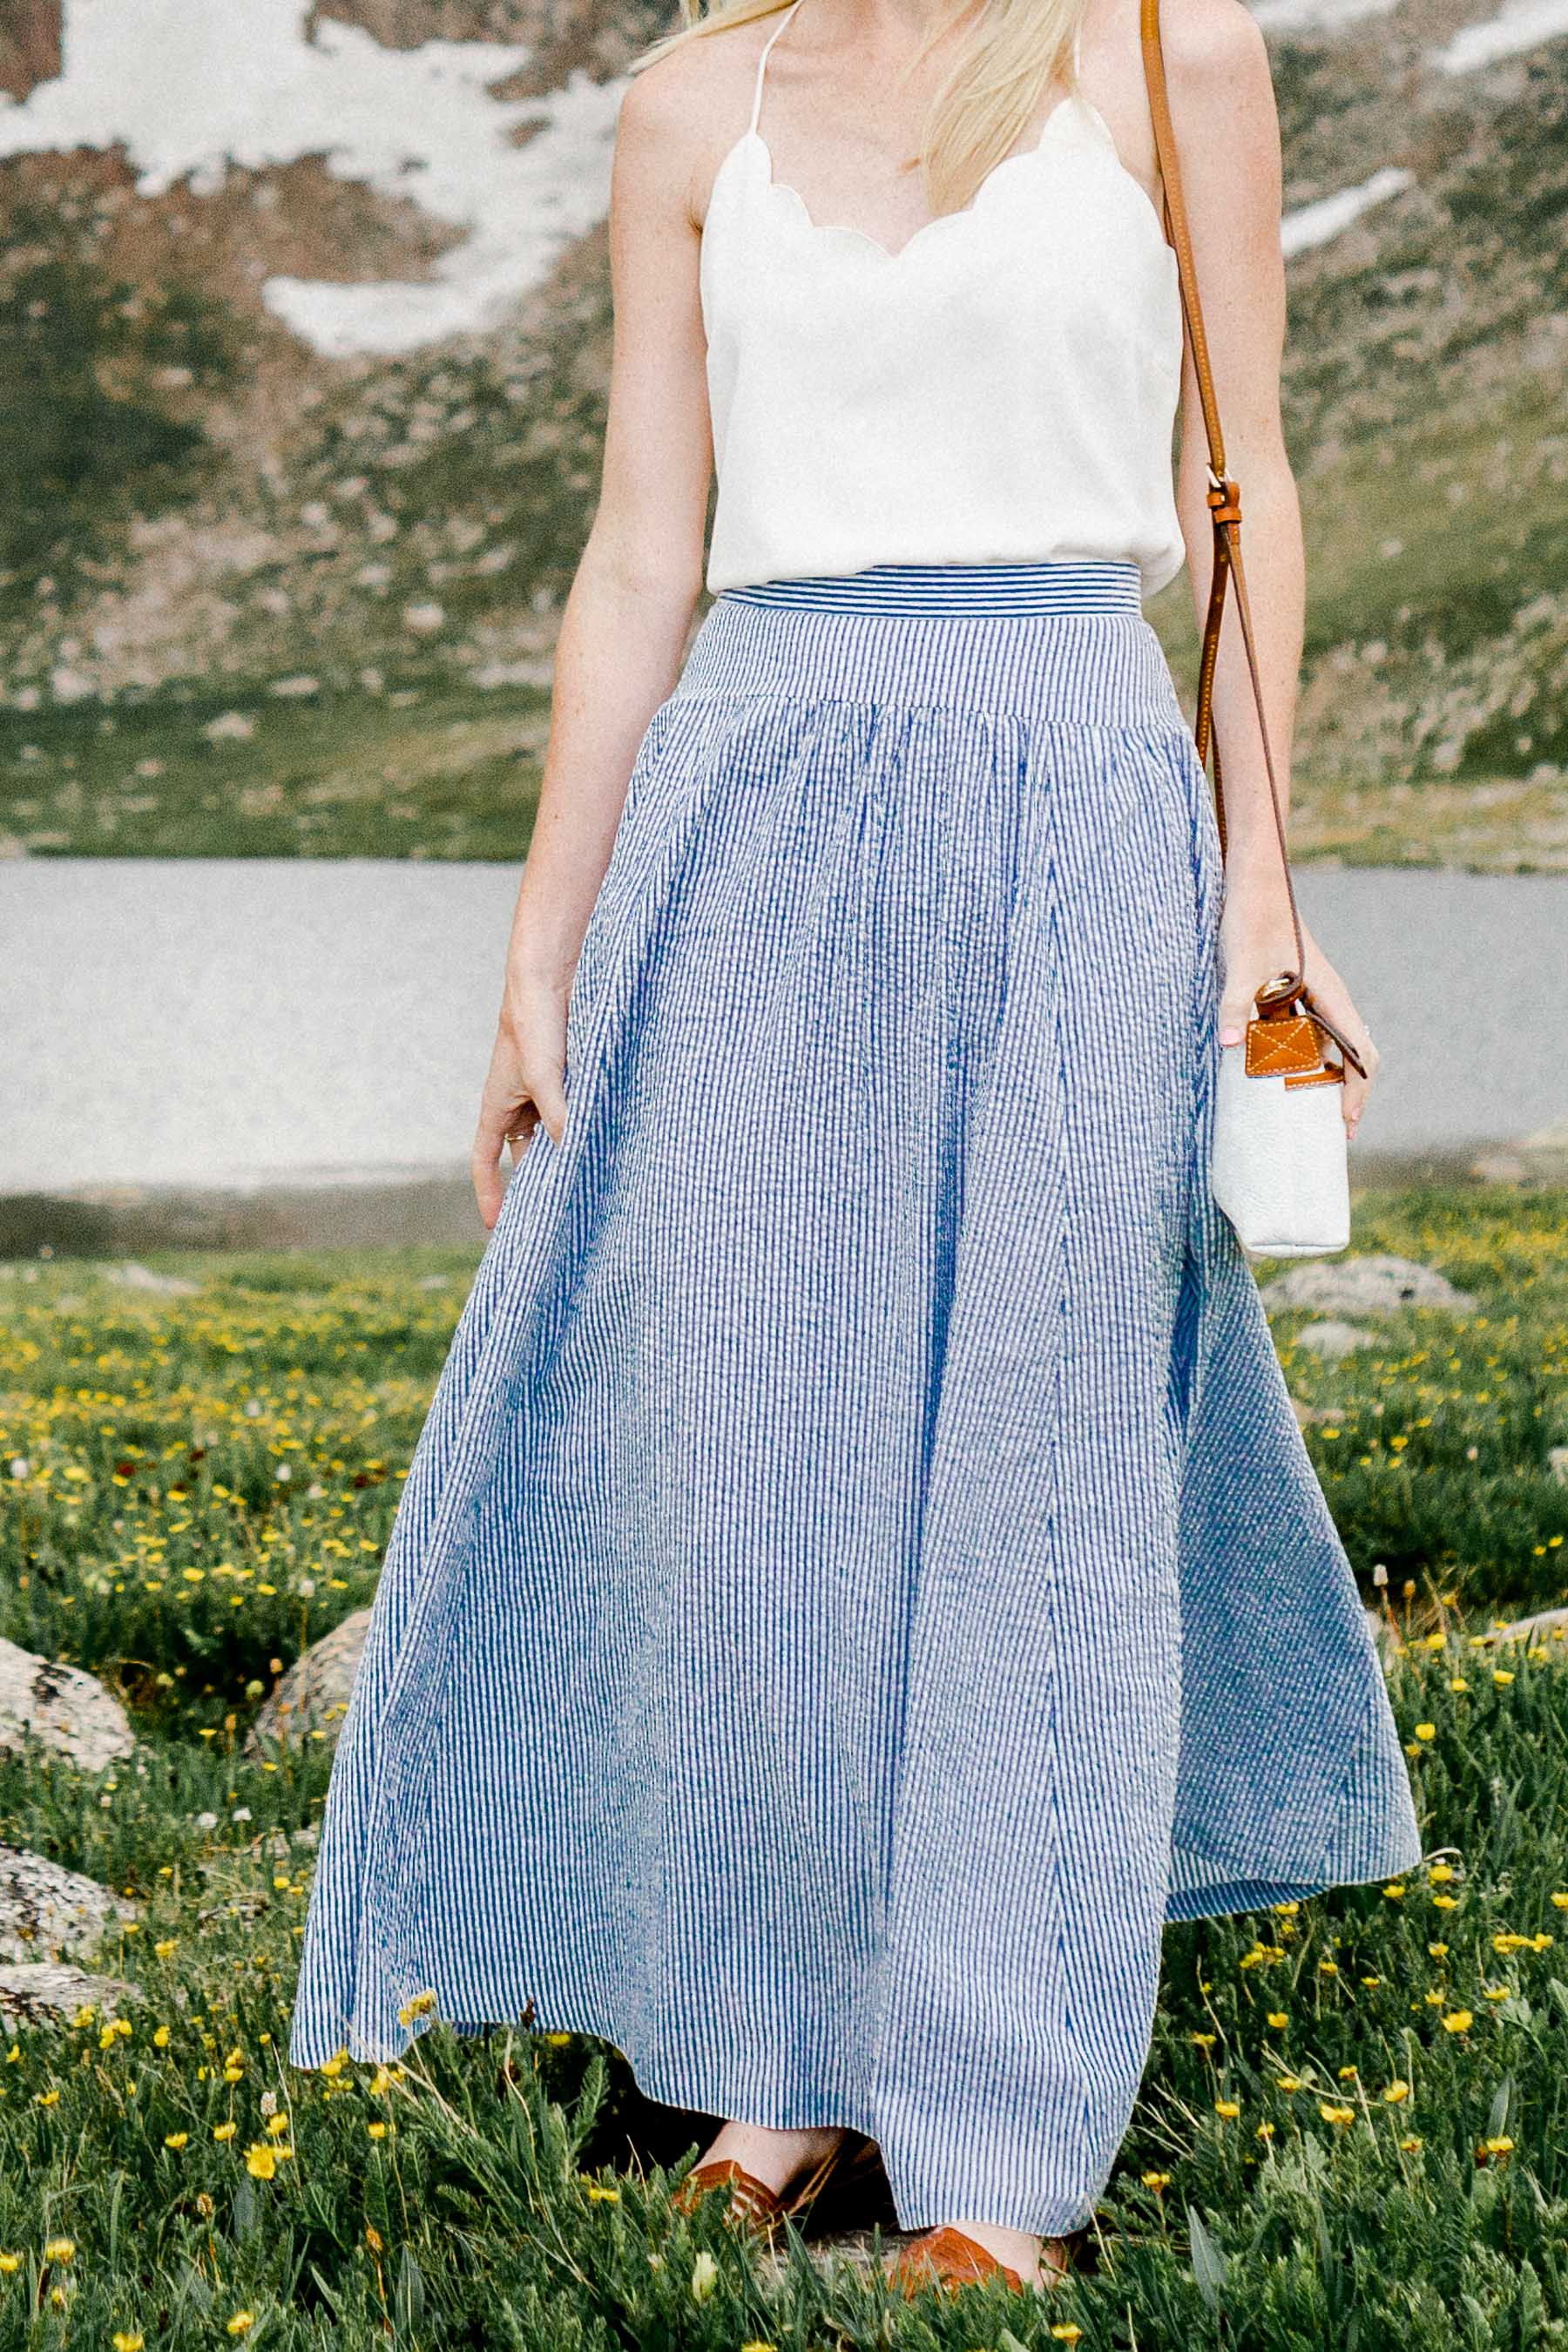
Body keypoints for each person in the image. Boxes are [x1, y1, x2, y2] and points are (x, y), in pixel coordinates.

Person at [289, 0, 1423, 2298]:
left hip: (1073, 807)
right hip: (757, 823)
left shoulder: (1161, 49)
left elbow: (1250, 489)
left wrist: (1261, 895)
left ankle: (1002, 2142)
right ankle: (785, 2067)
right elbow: (636, 557)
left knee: (1042, 1474)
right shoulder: (687, 107)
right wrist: (540, 945)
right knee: (764, 1483)